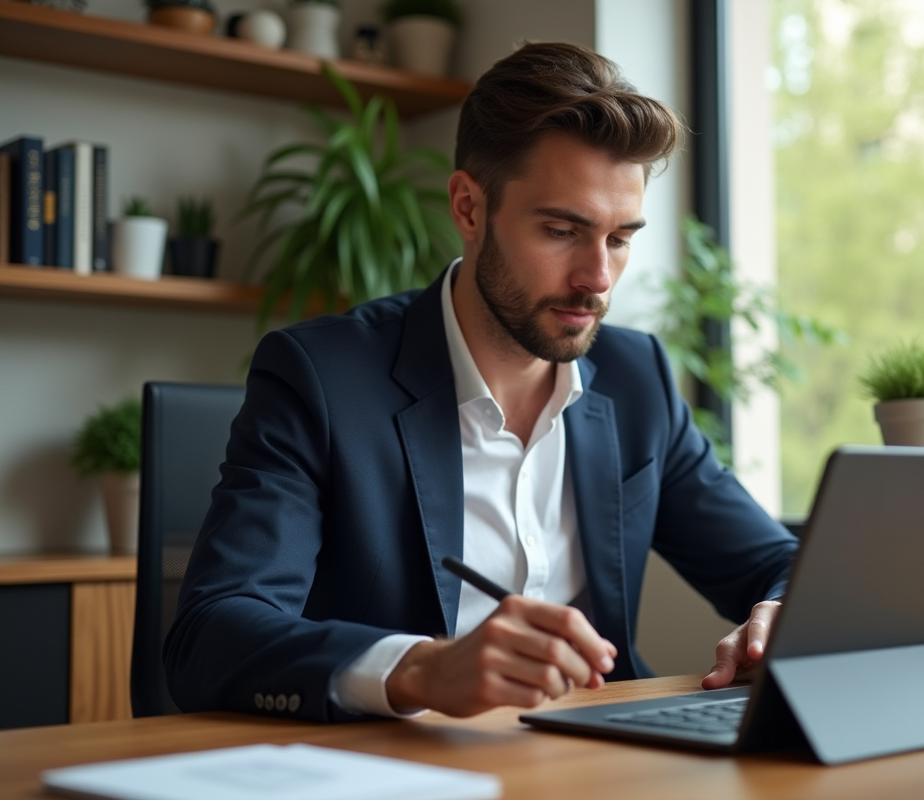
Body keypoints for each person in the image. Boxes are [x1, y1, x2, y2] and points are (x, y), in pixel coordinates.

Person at [164, 42, 798, 722]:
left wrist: (780, 612)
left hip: (602, 764)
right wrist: (418, 668)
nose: (598, 278)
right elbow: (212, 633)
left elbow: (777, 562)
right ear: (469, 208)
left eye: (620, 238)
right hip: (398, 770)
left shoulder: (637, 379)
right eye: (562, 230)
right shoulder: (321, 378)